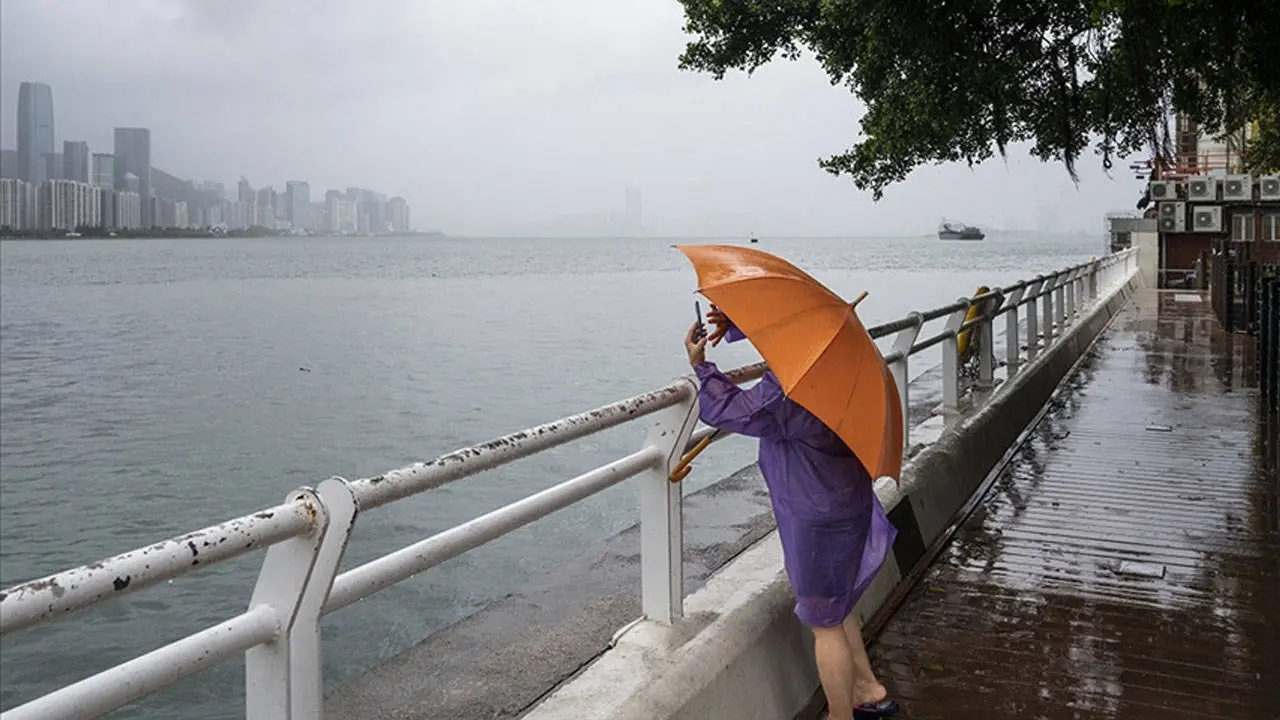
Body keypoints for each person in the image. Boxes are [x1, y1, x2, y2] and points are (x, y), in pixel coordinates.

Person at [683, 306, 899, 720]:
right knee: (839, 602)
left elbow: (741, 411)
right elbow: (788, 341)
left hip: (816, 513)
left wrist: (702, 367)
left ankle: (840, 715)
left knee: (825, 623)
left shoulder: (791, 389)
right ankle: (868, 688)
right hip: (847, 497)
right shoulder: (842, 370)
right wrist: (740, 325)